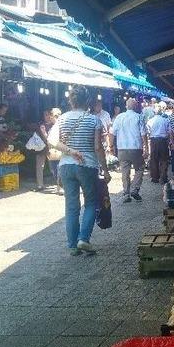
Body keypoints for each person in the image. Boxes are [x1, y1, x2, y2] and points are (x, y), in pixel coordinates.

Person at [49, 88, 111, 255]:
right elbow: (98, 148)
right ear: (87, 101)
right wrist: (105, 170)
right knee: (91, 203)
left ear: (71, 101)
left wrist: (70, 151)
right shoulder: (94, 120)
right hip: (87, 165)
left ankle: (72, 246)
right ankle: (84, 239)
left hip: (66, 166)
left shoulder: (61, 119)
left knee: (71, 206)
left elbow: (52, 140)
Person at [111, 98, 148, 202]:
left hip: (122, 148)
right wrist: (146, 148)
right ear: (135, 107)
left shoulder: (119, 117)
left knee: (125, 171)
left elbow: (112, 133)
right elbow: (143, 134)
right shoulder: (139, 117)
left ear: (126, 106)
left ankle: (126, 193)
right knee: (140, 168)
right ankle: (135, 189)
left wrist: (111, 146)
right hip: (136, 148)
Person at [35, 108, 59, 192]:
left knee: (53, 168)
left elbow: (50, 138)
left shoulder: (55, 125)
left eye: (48, 114)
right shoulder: (41, 124)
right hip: (41, 148)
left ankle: (59, 185)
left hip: (51, 149)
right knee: (40, 167)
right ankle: (40, 185)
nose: (46, 116)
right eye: (45, 115)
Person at [147, 108, 170, 184]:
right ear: (161, 112)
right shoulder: (165, 120)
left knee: (154, 159)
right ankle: (163, 177)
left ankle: (155, 177)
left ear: (154, 112)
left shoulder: (150, 121)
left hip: (154, 141)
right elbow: (169, 131)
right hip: (163, 141)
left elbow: (148, 131)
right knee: (164, 159)